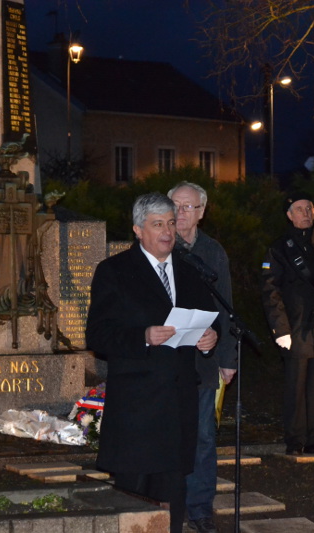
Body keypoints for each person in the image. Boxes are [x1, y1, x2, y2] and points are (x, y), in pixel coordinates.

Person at [85, 193, 218, 533]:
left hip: (177, 404)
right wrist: (143, 335)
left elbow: (209, 319)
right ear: (138, 230)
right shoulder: (114, 271)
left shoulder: (189, 272)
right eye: (158, 224)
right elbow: (97, 335)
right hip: (137, 410)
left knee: (173, 496)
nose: (167, 232)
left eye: (171, 223)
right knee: (134, 502)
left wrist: (209, 337)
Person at [167, 181, 235, 533]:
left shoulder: (213, 252)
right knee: (167, 435)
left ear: (202, 212)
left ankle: (200, 509)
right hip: (165, 362)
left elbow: (225, 308)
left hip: (203, 362)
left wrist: (226, 354)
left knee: (204, 438)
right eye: (175, 205)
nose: (181, 213)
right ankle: (166, 506)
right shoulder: (157, 245)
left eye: (188, 207)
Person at [261, 191, 314, 455]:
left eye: (310, 209)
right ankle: (296, 439)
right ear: (289, 215)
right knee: (296, 388)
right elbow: (270, 290)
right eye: (300, 209)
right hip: (296, 327)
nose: (306, 214)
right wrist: (281, 328)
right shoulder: (279, 247)